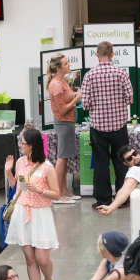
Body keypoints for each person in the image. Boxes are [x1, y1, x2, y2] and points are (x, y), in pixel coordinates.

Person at [5, 129, 61, 280]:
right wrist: (8, 172)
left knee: (42, 258)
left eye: (22, 143)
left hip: (40, 214)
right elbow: (18, 187)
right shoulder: (20, 162)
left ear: (32, 145)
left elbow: (57, 195)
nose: (20, 145)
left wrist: (39, 190)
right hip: (22, 211)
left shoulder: (47, 167)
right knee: (30, 258)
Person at [80, 41, 133, 210]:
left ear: (96, 54)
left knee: (101, 164)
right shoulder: (121, 73)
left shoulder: (89, 75)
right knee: (122, 162)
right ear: (113, 54)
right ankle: (123, 199)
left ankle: (103, 200)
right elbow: (130, 98)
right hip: (119, 125)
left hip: (98, 127)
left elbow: (85, 104)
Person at [46, 52, 82, 204]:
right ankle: (58, 195)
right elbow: (62, 109)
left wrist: (74, 93)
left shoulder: (62, 81)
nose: (69, 65)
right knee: (61, 158)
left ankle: (65, 190)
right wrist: (77, 98)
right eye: (66, 64)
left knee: (65, 157)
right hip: (63, 123)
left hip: (68, 123)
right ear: (59, 68)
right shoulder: (56, 85)